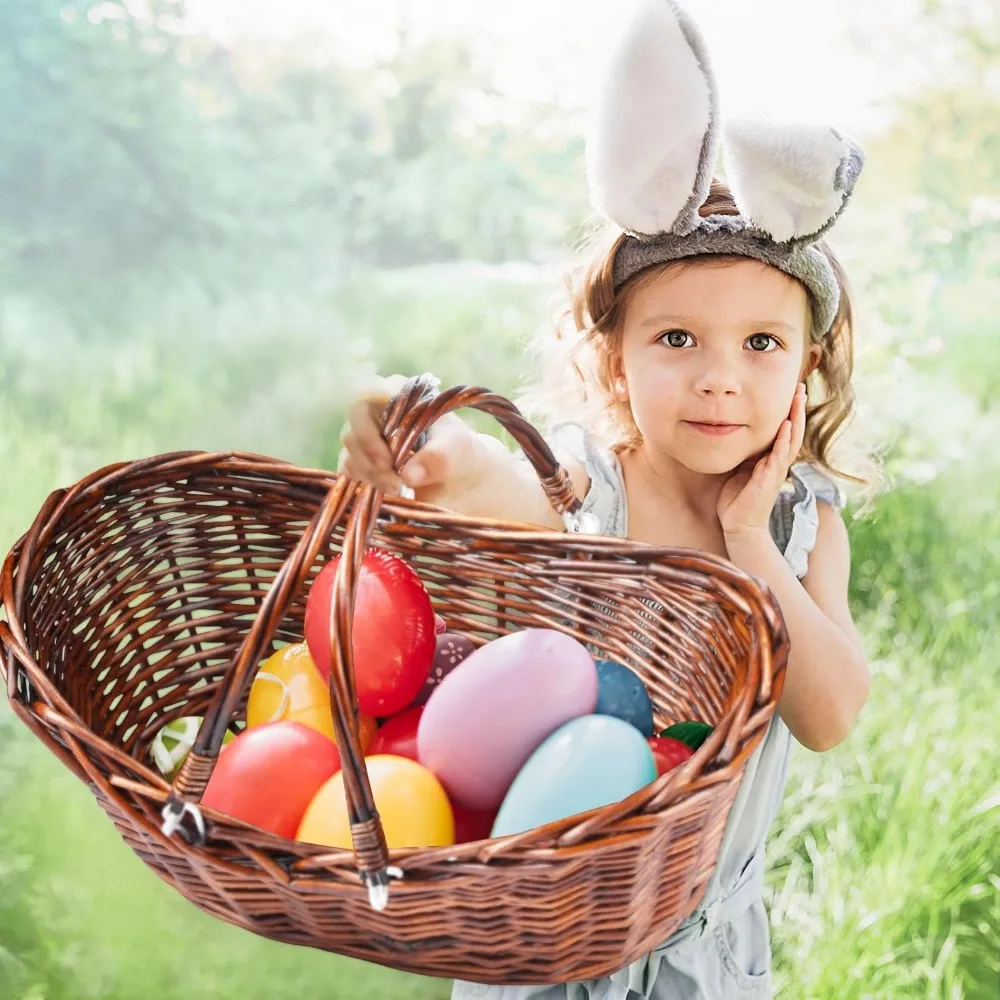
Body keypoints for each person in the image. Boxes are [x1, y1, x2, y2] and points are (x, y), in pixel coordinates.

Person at [337, 2, 872, 996]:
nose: (720, 377)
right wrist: (435, 448)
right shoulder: (593, 479)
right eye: (677, 339)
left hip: (704, 954)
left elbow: (830, 711)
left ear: (806, 366)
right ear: (615, 361)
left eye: (760, 344)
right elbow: (506, 492)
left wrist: (749, 536)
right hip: (544, 944)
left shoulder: (805, 525)